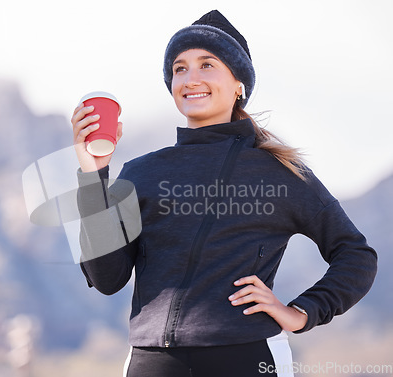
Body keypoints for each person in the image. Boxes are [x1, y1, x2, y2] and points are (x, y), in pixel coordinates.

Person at [70, 10, 377, 377]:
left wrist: (302, 312)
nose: (190, 78)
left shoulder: (278, 173)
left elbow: (356, 254)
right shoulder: (142, 172)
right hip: (151, 362)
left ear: (239, 86)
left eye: (207, 64)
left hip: (245, 359)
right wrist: (93, 175)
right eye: (179, 68)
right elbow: (107, 279)